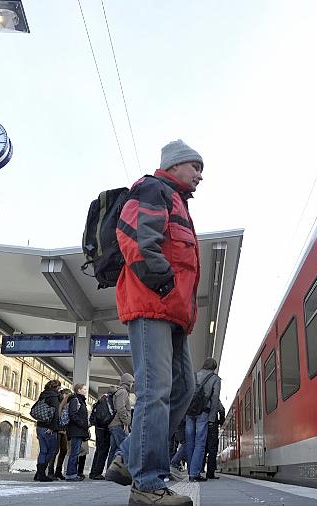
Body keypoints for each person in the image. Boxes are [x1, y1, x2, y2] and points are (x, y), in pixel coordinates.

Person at [106, 140, 204, 506]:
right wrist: (162, 282)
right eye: (195, 167)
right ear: (175, 165)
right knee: (155, 391)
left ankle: (128, 456)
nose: (199, 176)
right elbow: (134, 236)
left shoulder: (177, 200)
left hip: (174, 312)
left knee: (183, 389)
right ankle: (146, 485)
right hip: (152, 304)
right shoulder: (153, 189)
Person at [186, 358, 221, 482]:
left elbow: (186, 393)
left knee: (189, 442)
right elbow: (215, 399)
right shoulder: (215, 379)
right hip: (203, 412)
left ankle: (190, 470)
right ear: (214, 368)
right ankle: (194, 474)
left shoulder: (193, 375)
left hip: (189, 412)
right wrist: (212, 419)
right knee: (200, 443)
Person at [34, 379, 62, 482]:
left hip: (40, 426)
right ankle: (40, 473)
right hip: (48, 428)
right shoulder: (54, 397)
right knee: (52, 450)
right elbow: (55, 414)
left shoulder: (43, 395)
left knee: (43, 451)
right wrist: (52, 428)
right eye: (59, 387)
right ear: (57, 387)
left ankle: (39, 474)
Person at [106, 373, 134, 470]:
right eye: (132, 383)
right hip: (119, 424)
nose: (132, 385)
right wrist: (126, 421)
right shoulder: (123, 392)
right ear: (128, 382)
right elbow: (120, 408)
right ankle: (117, 471)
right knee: (124, 447)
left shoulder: (119, 391)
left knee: (113, 449)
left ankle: (110, 471)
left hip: (114, 424)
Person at [89, 386, 117, 480]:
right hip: (104, 428)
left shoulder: (100, 400)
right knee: (103, 451)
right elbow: (111, 413)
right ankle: (97, 473)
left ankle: (93, 472)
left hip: (98, 427)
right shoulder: (109, 400)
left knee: (98, 450)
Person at [65, 383, 90, 481]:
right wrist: (83, 423)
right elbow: (73, 414)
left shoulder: (81, 401)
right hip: (76, 430)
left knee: (76, 452)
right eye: (84, 389)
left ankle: (73, 473)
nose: (86, 391)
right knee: (74, 453)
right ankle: (71, 474)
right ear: (78, 390)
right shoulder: (75, 400)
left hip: (79, 430)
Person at [48, 387, 72, 480]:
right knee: (55, 451)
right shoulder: (57, 404)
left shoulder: (69, 405)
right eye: (66, 395)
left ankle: (58, 471)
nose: (67, 397)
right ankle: (50, 472)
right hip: (57, 430)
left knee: (64, 451)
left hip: (65, 431)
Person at [204, 399, 225, 479]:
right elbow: (222, 410)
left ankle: (196, 471)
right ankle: (210, 473)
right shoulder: (214, 397)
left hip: (200, 423)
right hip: (212, 423)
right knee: (212, 449)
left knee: (201, 447)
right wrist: (221, 421)